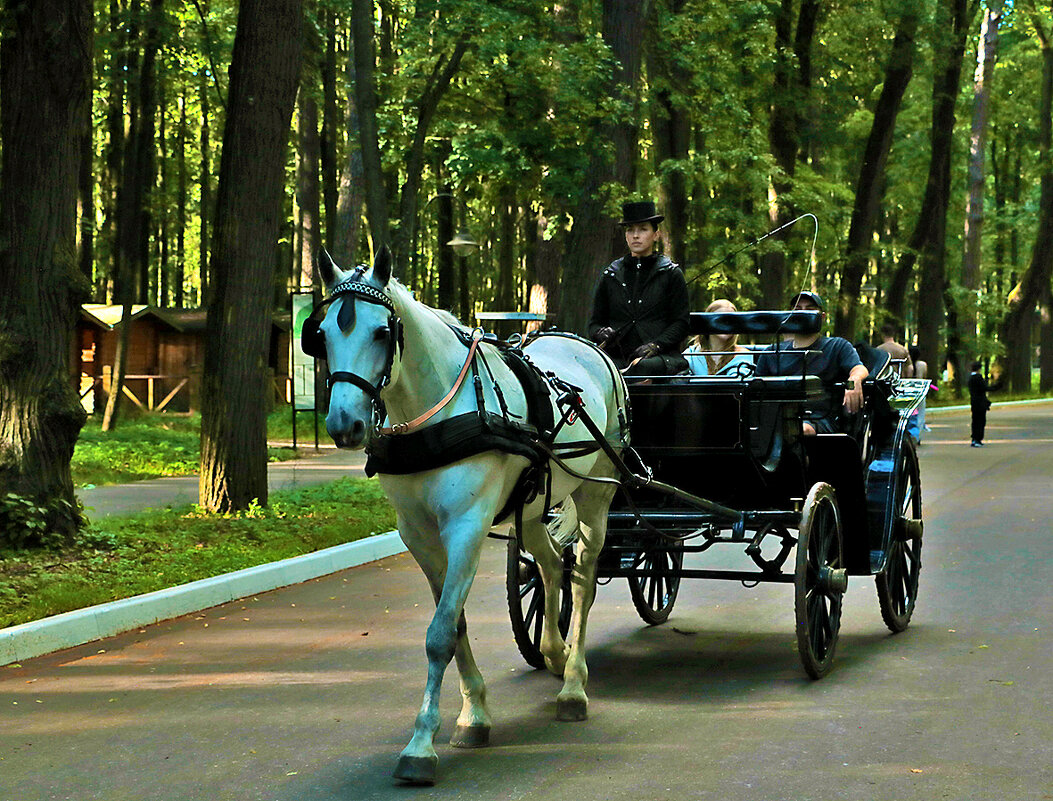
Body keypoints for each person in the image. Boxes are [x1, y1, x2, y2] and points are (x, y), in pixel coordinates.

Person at [588, 200, 690, 375]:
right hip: (616, 356)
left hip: (661, 356)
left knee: (641, 368)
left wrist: (656, 345)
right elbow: (594, 323)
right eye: (630, 230)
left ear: (655, 234)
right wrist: (601, 333)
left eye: (643, 229)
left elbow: (681, 323)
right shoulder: (611, 274)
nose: (636, 235)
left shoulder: (671, 274)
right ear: (626, 235)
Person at [754, 290, 868, 435]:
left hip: (819, 418)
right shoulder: (772, 352)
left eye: (810, 309)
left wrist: (853, 381)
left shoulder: (837, 346)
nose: (803, 314)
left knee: (799, 430)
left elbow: (858, 368)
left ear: (822, 317)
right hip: (775, 417)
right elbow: (754, 388)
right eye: (797, 309)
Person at [684, 299, 754, 376]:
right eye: (721, 319)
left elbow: (737, 382)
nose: (727, 324)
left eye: (732, 320)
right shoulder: (691, 355)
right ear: (707, 322)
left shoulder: (743, 355)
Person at [968, 360, 991, 447]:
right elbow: (985, 388)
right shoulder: (978, 378)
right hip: (981, 403)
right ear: (979, 369)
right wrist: (997, 387)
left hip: (974, 402)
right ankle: (978, 438)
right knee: (981, 421)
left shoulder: (970, 378)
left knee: (975, 420)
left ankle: (974, 438)